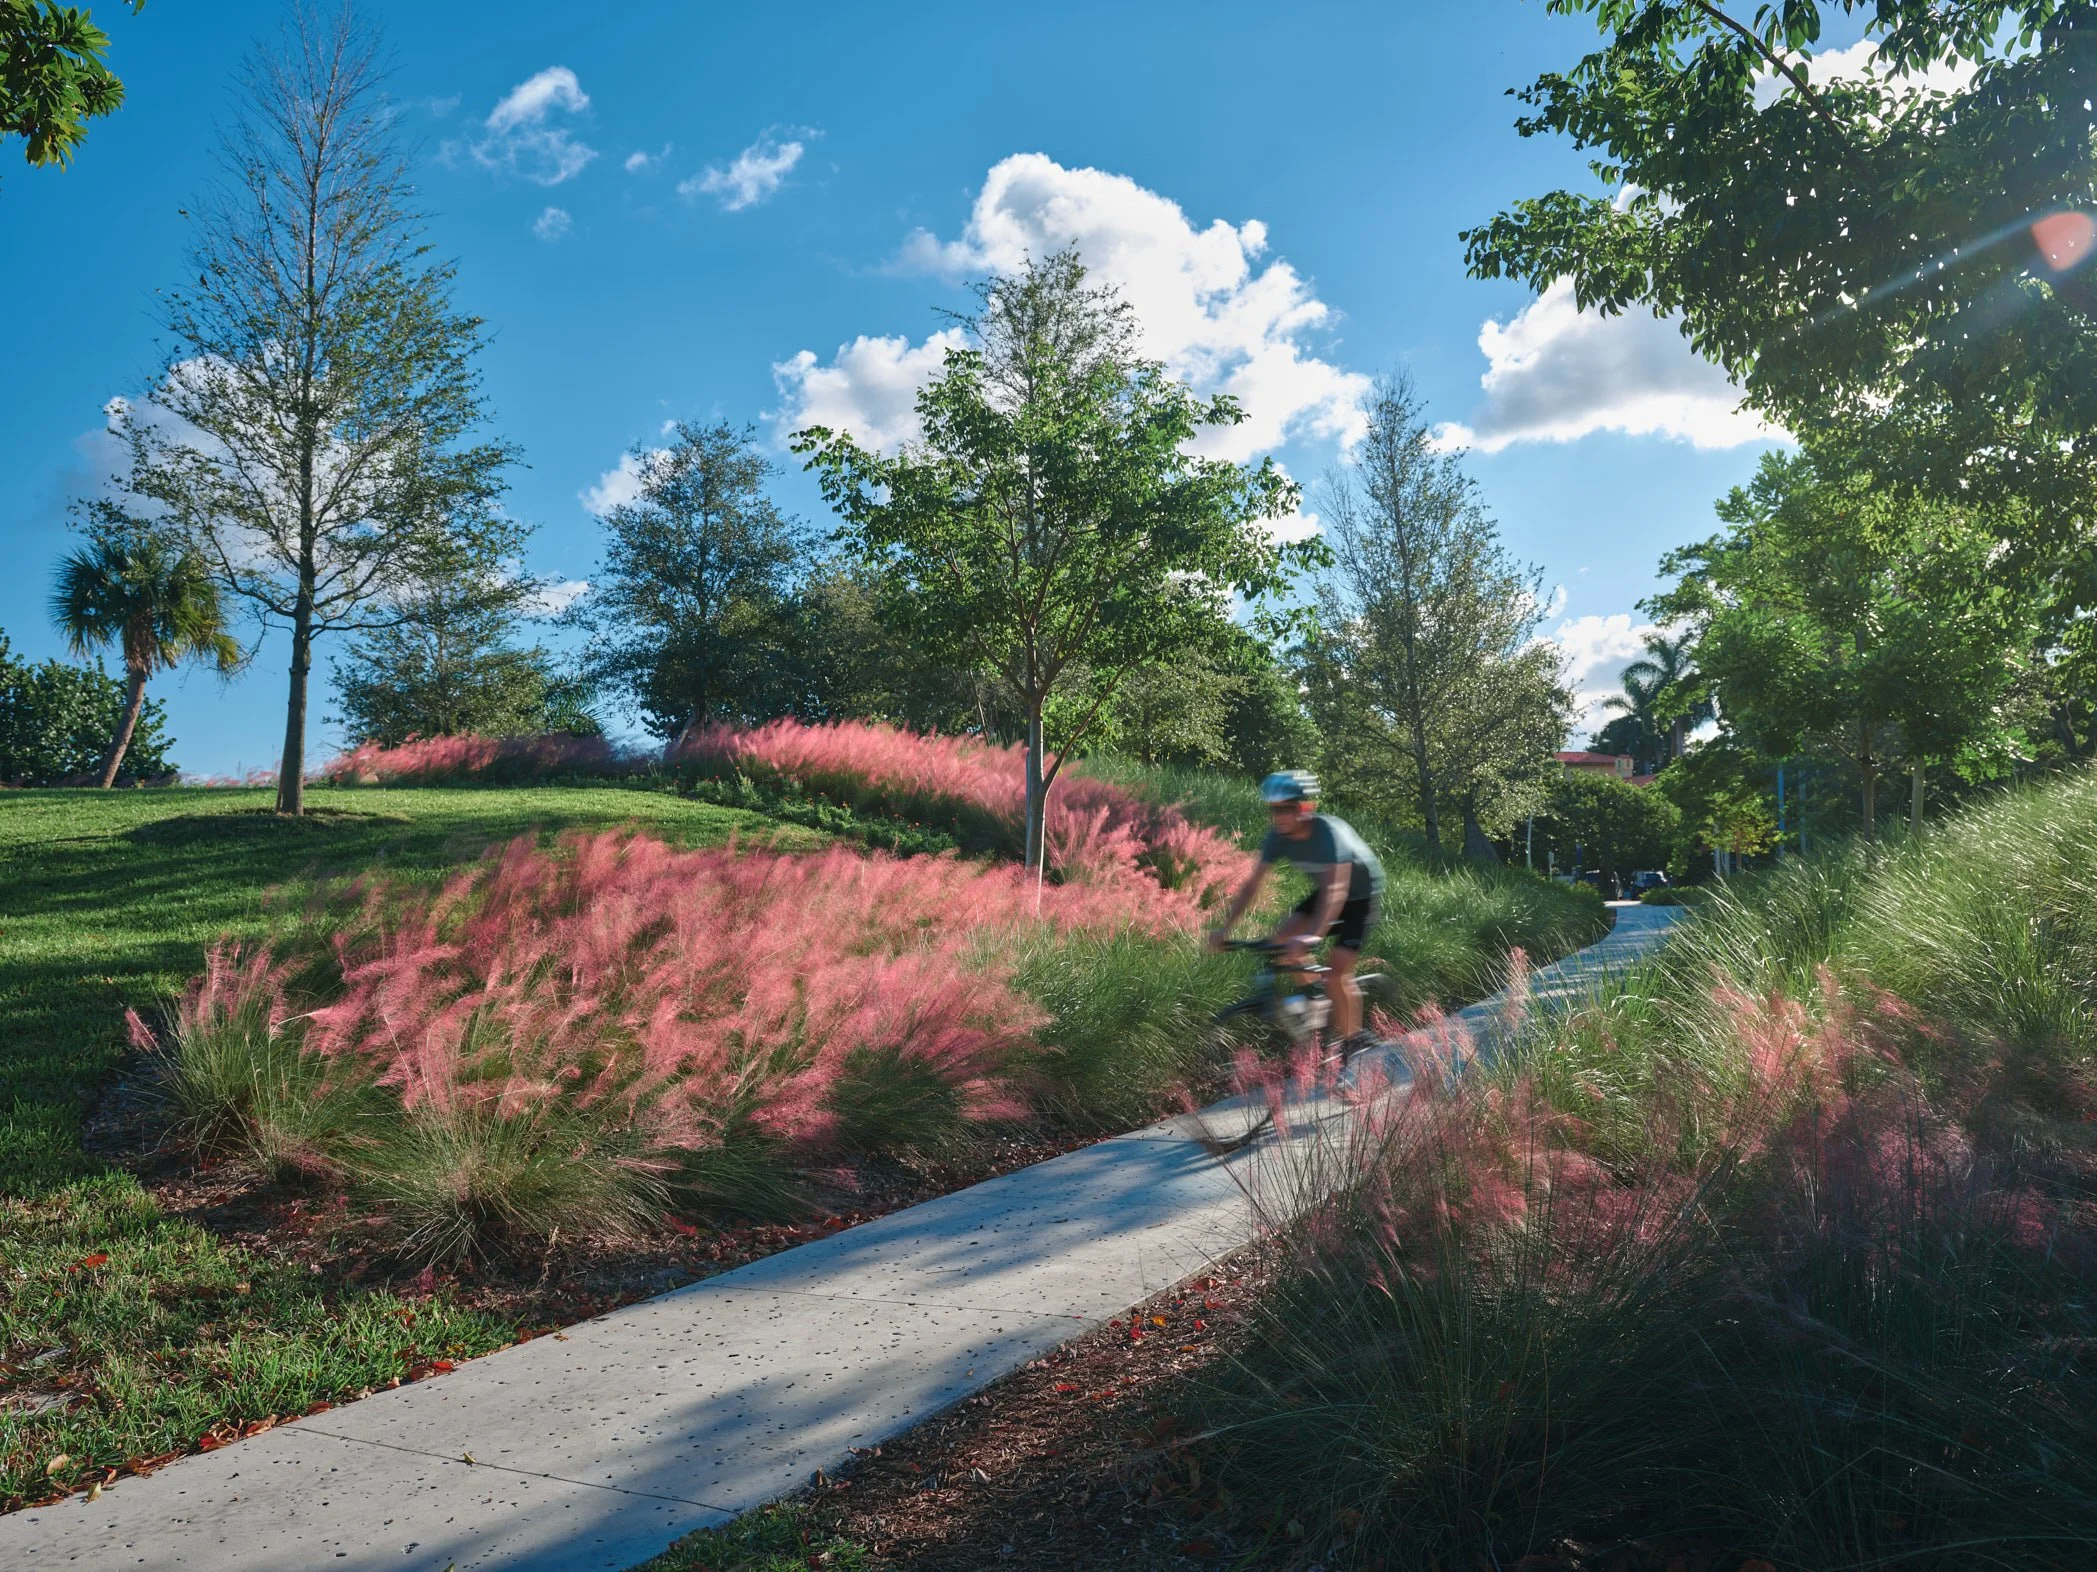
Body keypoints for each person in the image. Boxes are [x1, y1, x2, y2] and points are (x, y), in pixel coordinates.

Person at [1207, 769, 1385, 1058]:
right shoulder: (1277, 836)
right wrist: (1224, 930)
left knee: (1337, 969)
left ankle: (1354, 1040)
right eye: (1273, 809)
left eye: (1286, 808)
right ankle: (1317, 1001)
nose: (1278, 816)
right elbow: (1252, 885)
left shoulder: (1330, 833)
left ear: (1304, 807)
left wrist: (1312, 937)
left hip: (1361, 894)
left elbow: (1336, 890)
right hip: (1327, 893)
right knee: (1282, 941)